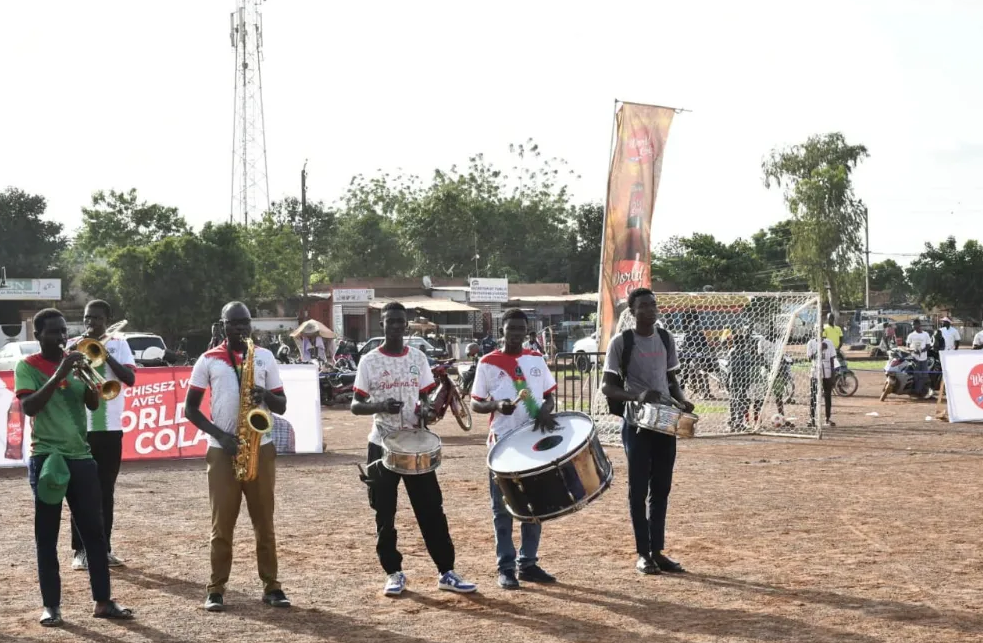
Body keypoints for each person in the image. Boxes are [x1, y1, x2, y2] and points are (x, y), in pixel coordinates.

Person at [16, 308, 133, 627]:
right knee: (47, 535)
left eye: (64, 331)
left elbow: (93, 404)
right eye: (54, 332)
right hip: (47, 458)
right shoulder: (27, 366)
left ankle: (103, 601)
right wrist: (59, 374)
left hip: (81, 457)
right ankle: (51, 606)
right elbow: (29, 407)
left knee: (94, 533)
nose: (62, 337)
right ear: (38, 335)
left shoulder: (76, 362)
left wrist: (90, 382)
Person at [351, 301, 477, 597]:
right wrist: (381, 406)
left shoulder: (418, 358)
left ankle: (446, 572)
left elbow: (426, 399)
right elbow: (356, 405)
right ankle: (393, 573)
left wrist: (428, 411)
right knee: (384, 513)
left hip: (417, 444)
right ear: (382, 324)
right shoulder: (369, 361)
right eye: (390, 321)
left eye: (400, 321)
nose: (396, 326)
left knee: (431, 509)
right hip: (382, 444)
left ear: (405, 325)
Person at [185, 302, 291, 612]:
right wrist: (221, 436)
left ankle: (272, 586)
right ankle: (216, 588)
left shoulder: (265, 357)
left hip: (261, 446)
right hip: (222, 450)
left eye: (245, 322)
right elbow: (190, 409)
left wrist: (265, 395)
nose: (241, 328)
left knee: (264, 522)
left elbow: (282, 405)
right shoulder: (208, 359)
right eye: (234, 323)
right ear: (223, 326)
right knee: (222, 525)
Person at [600, 288, 694, 575]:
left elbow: (671, 379)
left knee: (662, 487)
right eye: (643, 306)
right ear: (632, 311)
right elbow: (607, 386)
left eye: (653, 305)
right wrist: (636, 396)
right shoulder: (622, 342)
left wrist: (681, 400)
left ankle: (657, 551)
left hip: (665, 422)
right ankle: (643, 553)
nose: (650, 310)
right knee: (638, 489)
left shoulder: (665, 338)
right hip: (637, 424)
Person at [471, 308, 558, 590]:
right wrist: (496, 405)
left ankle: (528, 563)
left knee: (535, 506)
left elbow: (549, 396)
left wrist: (545, 410)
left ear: (526, 332)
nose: (516, 334)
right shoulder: (488, 362)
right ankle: (505, 567)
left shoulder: (536, 359)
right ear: (502, 331)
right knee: (502, 509)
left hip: (533, 443)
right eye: (511, 329)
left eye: (521, 329)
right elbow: (476, 403)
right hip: (502, 443)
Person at [67, 300, 137, 572]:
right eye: (87, 318)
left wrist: (105, 355)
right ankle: (80, 550)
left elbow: (129, 379)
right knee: (79, 491)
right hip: (80, 428)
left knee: (105, 491)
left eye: (96, 318)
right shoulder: (74, 344)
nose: (91, 322)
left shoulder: (120, 344)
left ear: (107, 319)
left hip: (110, 429)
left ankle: (103, 548)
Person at [807, 335, 837, 428]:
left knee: (828, 396)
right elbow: (809, 358)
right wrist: (819, 350)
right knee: (813, 395)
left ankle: (827, 418)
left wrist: (833, 374)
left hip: (827, 373)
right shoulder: (811, 343)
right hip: (815, 373)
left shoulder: (829, 342)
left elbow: (832, 359)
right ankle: (812, 418)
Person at [905, 319, 933, 397]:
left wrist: (921, 351)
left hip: (924, 359)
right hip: (914, 359)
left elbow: (928, 345)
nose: (913, 326)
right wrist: (913, 350)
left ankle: (920, 391)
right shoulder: (911, 335)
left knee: (924, 375)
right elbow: (907, 347)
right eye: (912, 325)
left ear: (919, 325)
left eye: (914, 324)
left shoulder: (925, 334)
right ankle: (916, 391)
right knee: (917, 376)